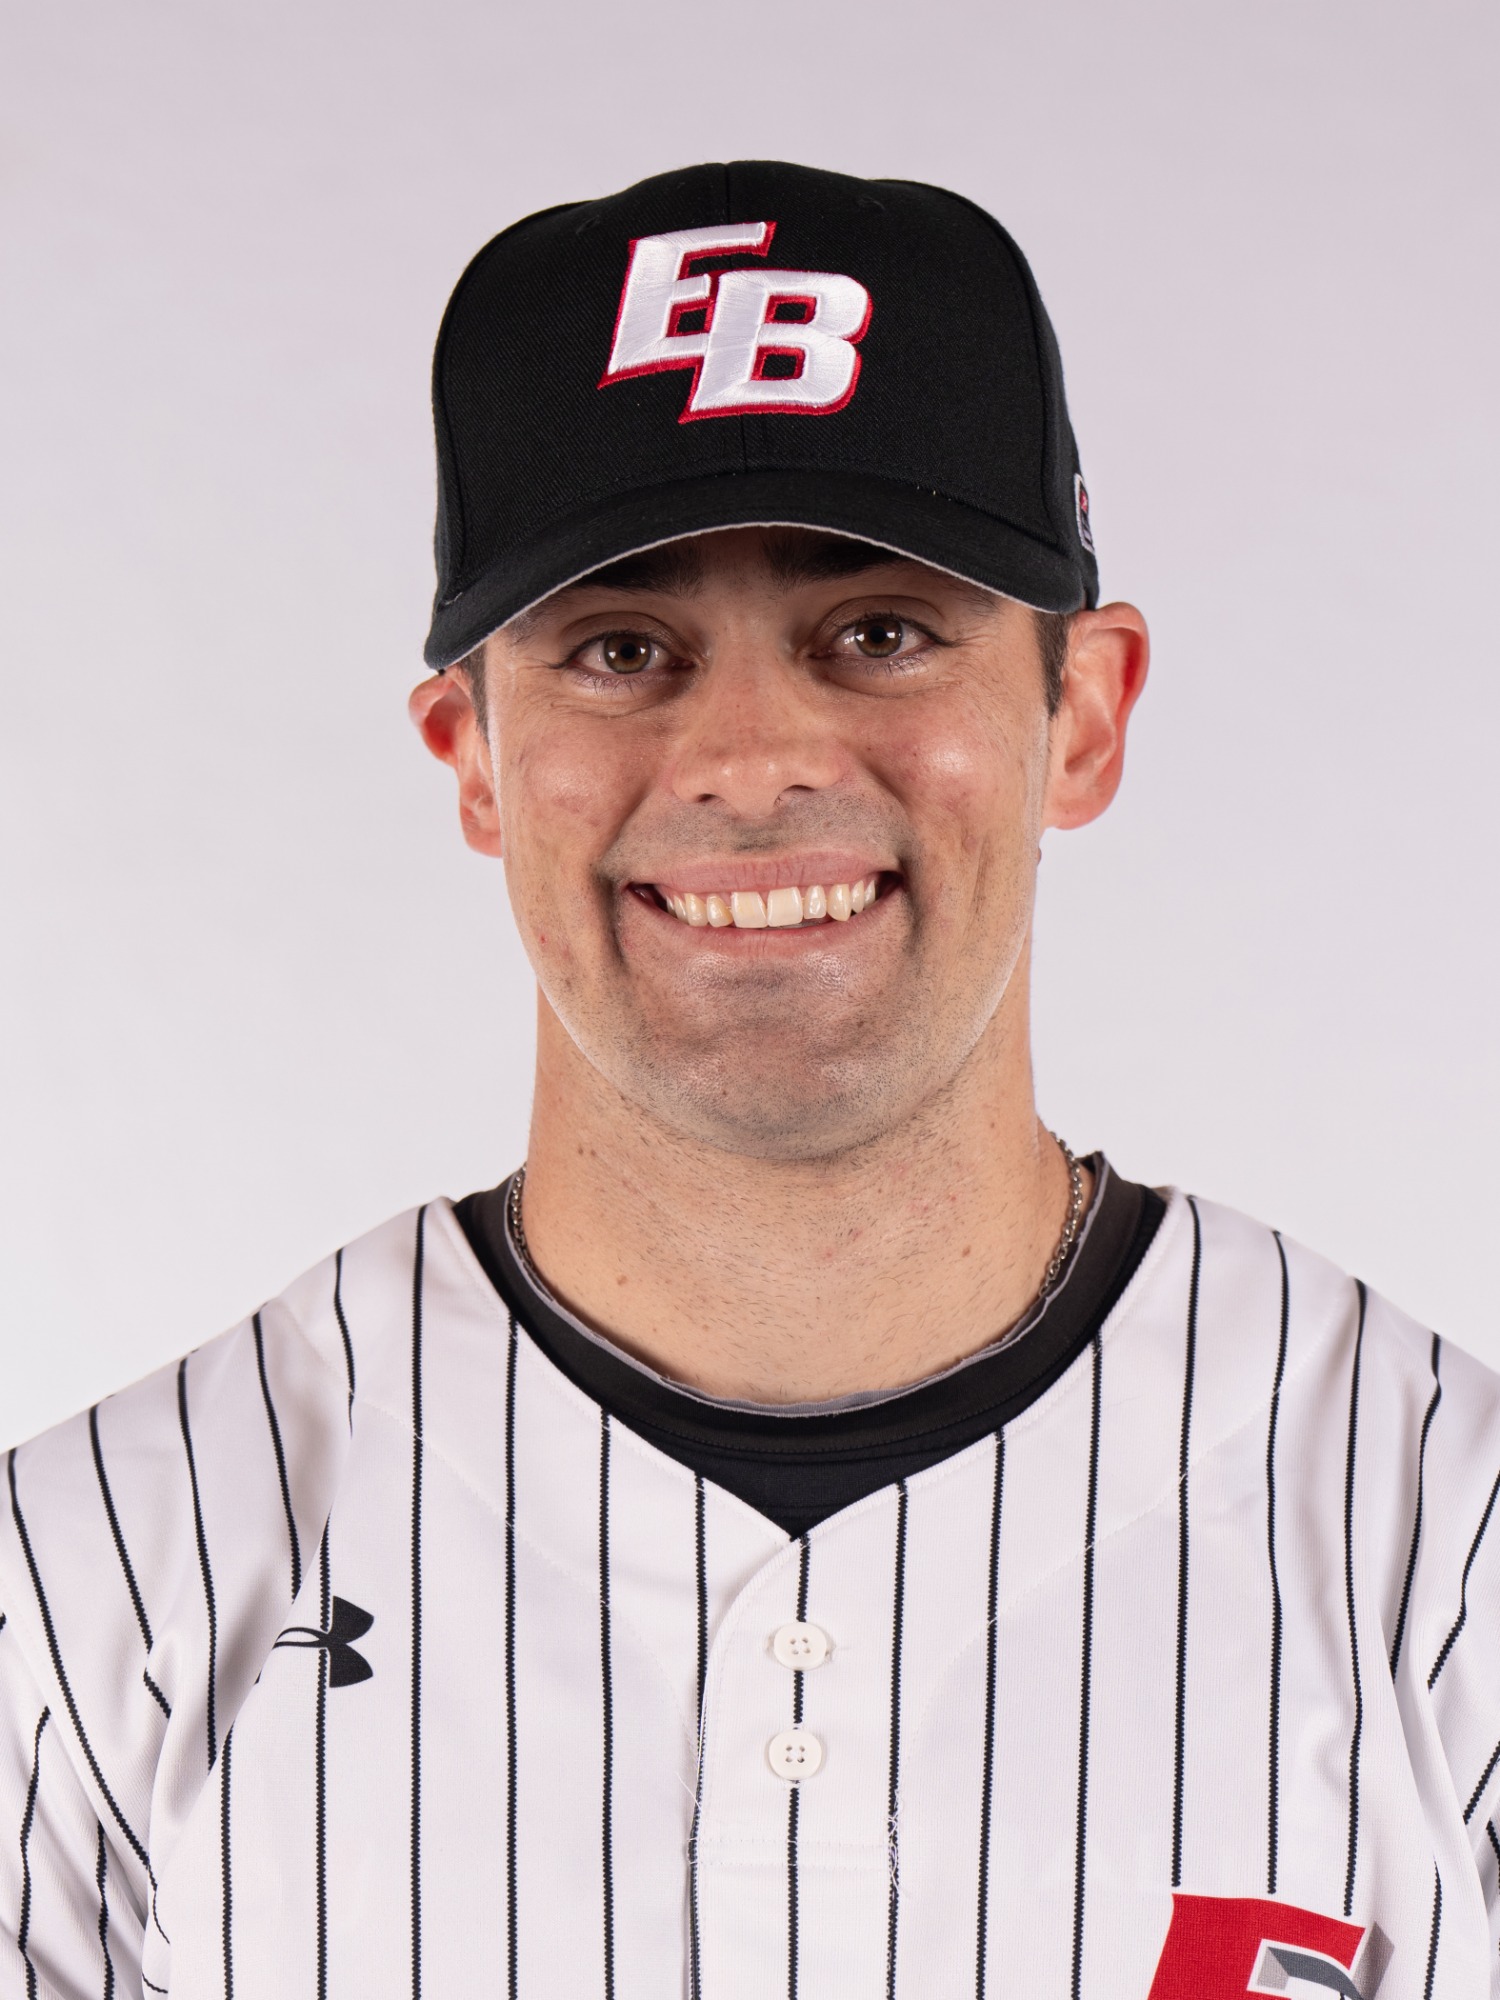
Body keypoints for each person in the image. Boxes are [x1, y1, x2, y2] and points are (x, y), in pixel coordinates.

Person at [2, 159, 1496, 2000]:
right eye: (623, 650)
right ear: (473, 754)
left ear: (1082, 715)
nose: (748, 756)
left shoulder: (1440, 1546)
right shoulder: (102, 1581)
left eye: (876, 631)